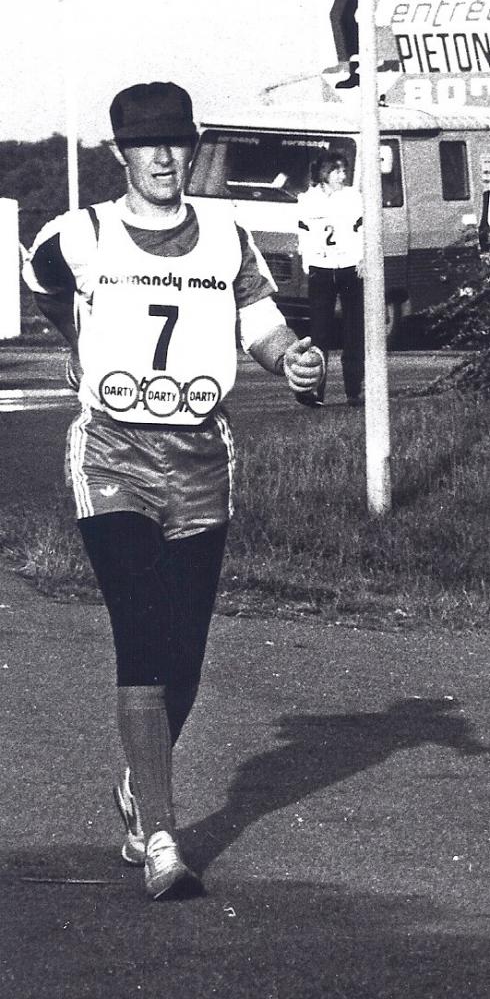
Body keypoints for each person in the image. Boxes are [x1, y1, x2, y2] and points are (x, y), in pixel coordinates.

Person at [22, 80, 325, 900]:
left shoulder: (226, 236)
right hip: (112, 454)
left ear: (191, 148)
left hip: (199, 458)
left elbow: (261, 322)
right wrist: (75, 339)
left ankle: (137, 785)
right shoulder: (80, 234)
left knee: (184, 649)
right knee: (142, 627)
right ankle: (160, 835)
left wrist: (293, 359)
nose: (164, 158)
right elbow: (45, 284)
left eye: (176, 143)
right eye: (146, 145)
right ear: (121, 154)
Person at [297, 150, 364, 406]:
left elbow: (362, 230)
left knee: (353, 331)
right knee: (320, 332)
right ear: (325, 173)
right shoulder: (308, 199)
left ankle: (353, 391)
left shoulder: (353, 197)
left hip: (349, 268)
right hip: (321, 269)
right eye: (337, 171)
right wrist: (308, 264)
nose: (342, 176)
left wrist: (362, 259)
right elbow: (303, 233)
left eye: (344, 171)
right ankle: (316, 390)